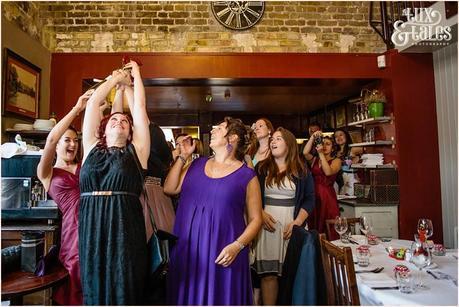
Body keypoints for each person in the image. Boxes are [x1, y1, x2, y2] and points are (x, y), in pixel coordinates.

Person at [164, 117, 263, 305]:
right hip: (189, 249)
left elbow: (256, 219)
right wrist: (182, 157)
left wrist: (237, 246)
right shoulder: (196, 164)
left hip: (224, 250)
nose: (214, 130)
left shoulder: (247, 175)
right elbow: (169, 188)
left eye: (220, 128)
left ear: (232, 137)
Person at [78, 61, 150, 305]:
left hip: (125, 224)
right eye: (113, 120)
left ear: (131, 132)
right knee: (94, 280)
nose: (118, 121)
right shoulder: (89, 148)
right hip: (92, 224)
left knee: (125, 281)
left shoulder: (137, 151)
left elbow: (139, 107)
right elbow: (92, 104)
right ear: (104, 128)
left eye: (124, 121)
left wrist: (133, 77)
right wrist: (114, 79)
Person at [36, 89, 94, 305]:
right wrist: (77, 109)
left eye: (75, 141)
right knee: (75, 280)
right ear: (58, 145)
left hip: (96, 223)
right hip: (73, 233)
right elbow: (50, 139)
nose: (72, 144)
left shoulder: (85, 165)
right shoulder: (47, 172)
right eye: (67, 140)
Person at [253, 127, 315, 305]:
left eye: (278, 139)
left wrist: (297, 222)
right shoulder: (261, 168)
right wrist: (260, 213)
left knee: (293, 274)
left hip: (292, 228)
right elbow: (251, 197)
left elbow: (310, 199)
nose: (273, 141)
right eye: (272, 139)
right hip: (267, 229)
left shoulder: (302, 170)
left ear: (289, 144)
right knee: (268, 276)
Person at [303, 131, 341, 239]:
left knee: (329, 225)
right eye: (323, 143)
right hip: (314, 195)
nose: (324, 146)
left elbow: (328, 172)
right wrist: (312, 137)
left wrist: (320, 153)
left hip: (327, 197)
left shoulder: (336, 161)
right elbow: (305, 153)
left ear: (333, 148)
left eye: (328, 144)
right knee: (314, 224)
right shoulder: (315, 159)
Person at [334, 128, 362, 195]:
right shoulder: (335, 152)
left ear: (346, 136)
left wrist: (358, 158)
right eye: (336, 136)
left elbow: (365, 148)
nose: (338, 137)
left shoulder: (352, 150)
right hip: (339, 181)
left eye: (341, 135)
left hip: (351, 181)